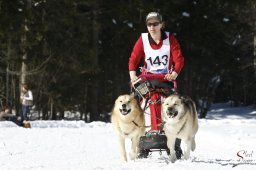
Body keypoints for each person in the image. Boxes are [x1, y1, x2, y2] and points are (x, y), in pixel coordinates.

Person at [129, 12, 184, 131]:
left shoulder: (170, 39)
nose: (152, 27)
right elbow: (133, 58)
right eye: (149, 24)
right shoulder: (143, 39)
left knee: (175, 103)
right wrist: (133, 75)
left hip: (165, 79)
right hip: (146, 79)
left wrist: (174, 73)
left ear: (161, 25)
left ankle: (175, 134)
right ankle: (138, 131)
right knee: (135, 101)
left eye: (155, 24)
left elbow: (178, 59)